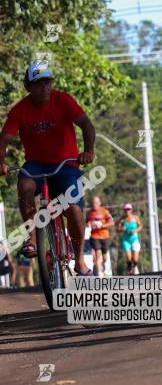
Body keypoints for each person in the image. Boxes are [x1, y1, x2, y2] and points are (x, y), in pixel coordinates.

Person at [0, 62, 96, 275]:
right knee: (24, 185)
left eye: (47, 82)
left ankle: (79, 260)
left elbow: (87, 125)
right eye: (38, 83)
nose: (44, 87)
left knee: (74, 210)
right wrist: (1, 162)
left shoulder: (63, 100)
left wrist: (88, 151)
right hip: (36, 165)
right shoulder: (20, 110)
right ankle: (32, 236)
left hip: (66, 165)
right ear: (28, 87)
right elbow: (4, 138)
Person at [86, 195, 114, 276]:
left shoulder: (105, 211)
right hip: (94, 237)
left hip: (105, 237)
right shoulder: (89, 213)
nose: (94, 205)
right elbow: (87, 223)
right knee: (98, 256)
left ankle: (101, 265)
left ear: (99, 203)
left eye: (96, 203)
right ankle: (99, 274)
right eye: (93, 203)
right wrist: (90, 224)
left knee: (104, 258)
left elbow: (112, 222)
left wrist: (102, 225)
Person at [117, 204, 142, 274]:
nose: (127, 211)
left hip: (134, 239)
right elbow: (117, 229)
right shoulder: (122, 220)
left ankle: (135, 267)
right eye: (125, 210)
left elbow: (140, 226)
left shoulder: (135, 218)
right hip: (126, 240)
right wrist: (122, 229)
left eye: (128, 209)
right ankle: (130, 271)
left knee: (135, 258)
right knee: (129, 257)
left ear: (131, 210)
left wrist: (136, 230)